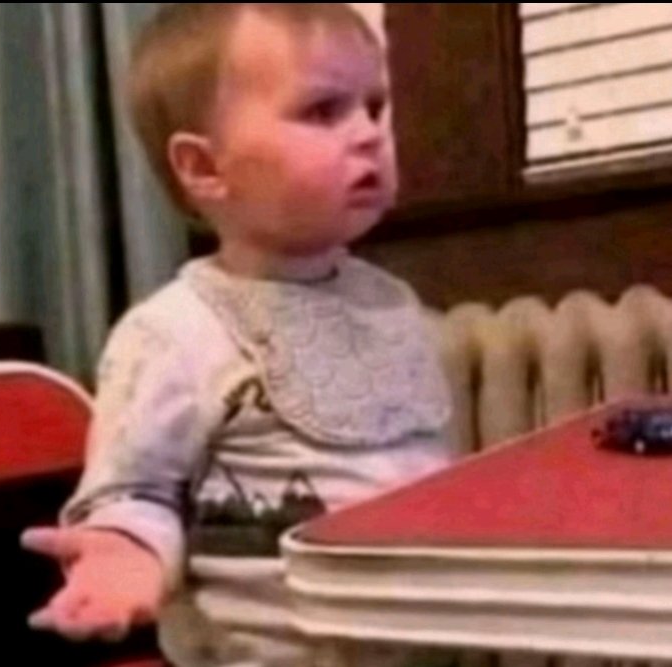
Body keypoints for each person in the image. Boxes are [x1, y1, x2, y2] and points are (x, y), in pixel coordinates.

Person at [22, 4, 452, 665]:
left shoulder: (393, 303)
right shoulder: (173, 333)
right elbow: (135, 491)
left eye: (373, 106)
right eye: (322, 111)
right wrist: (123, 554)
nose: (369, 133)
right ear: (204, 166)